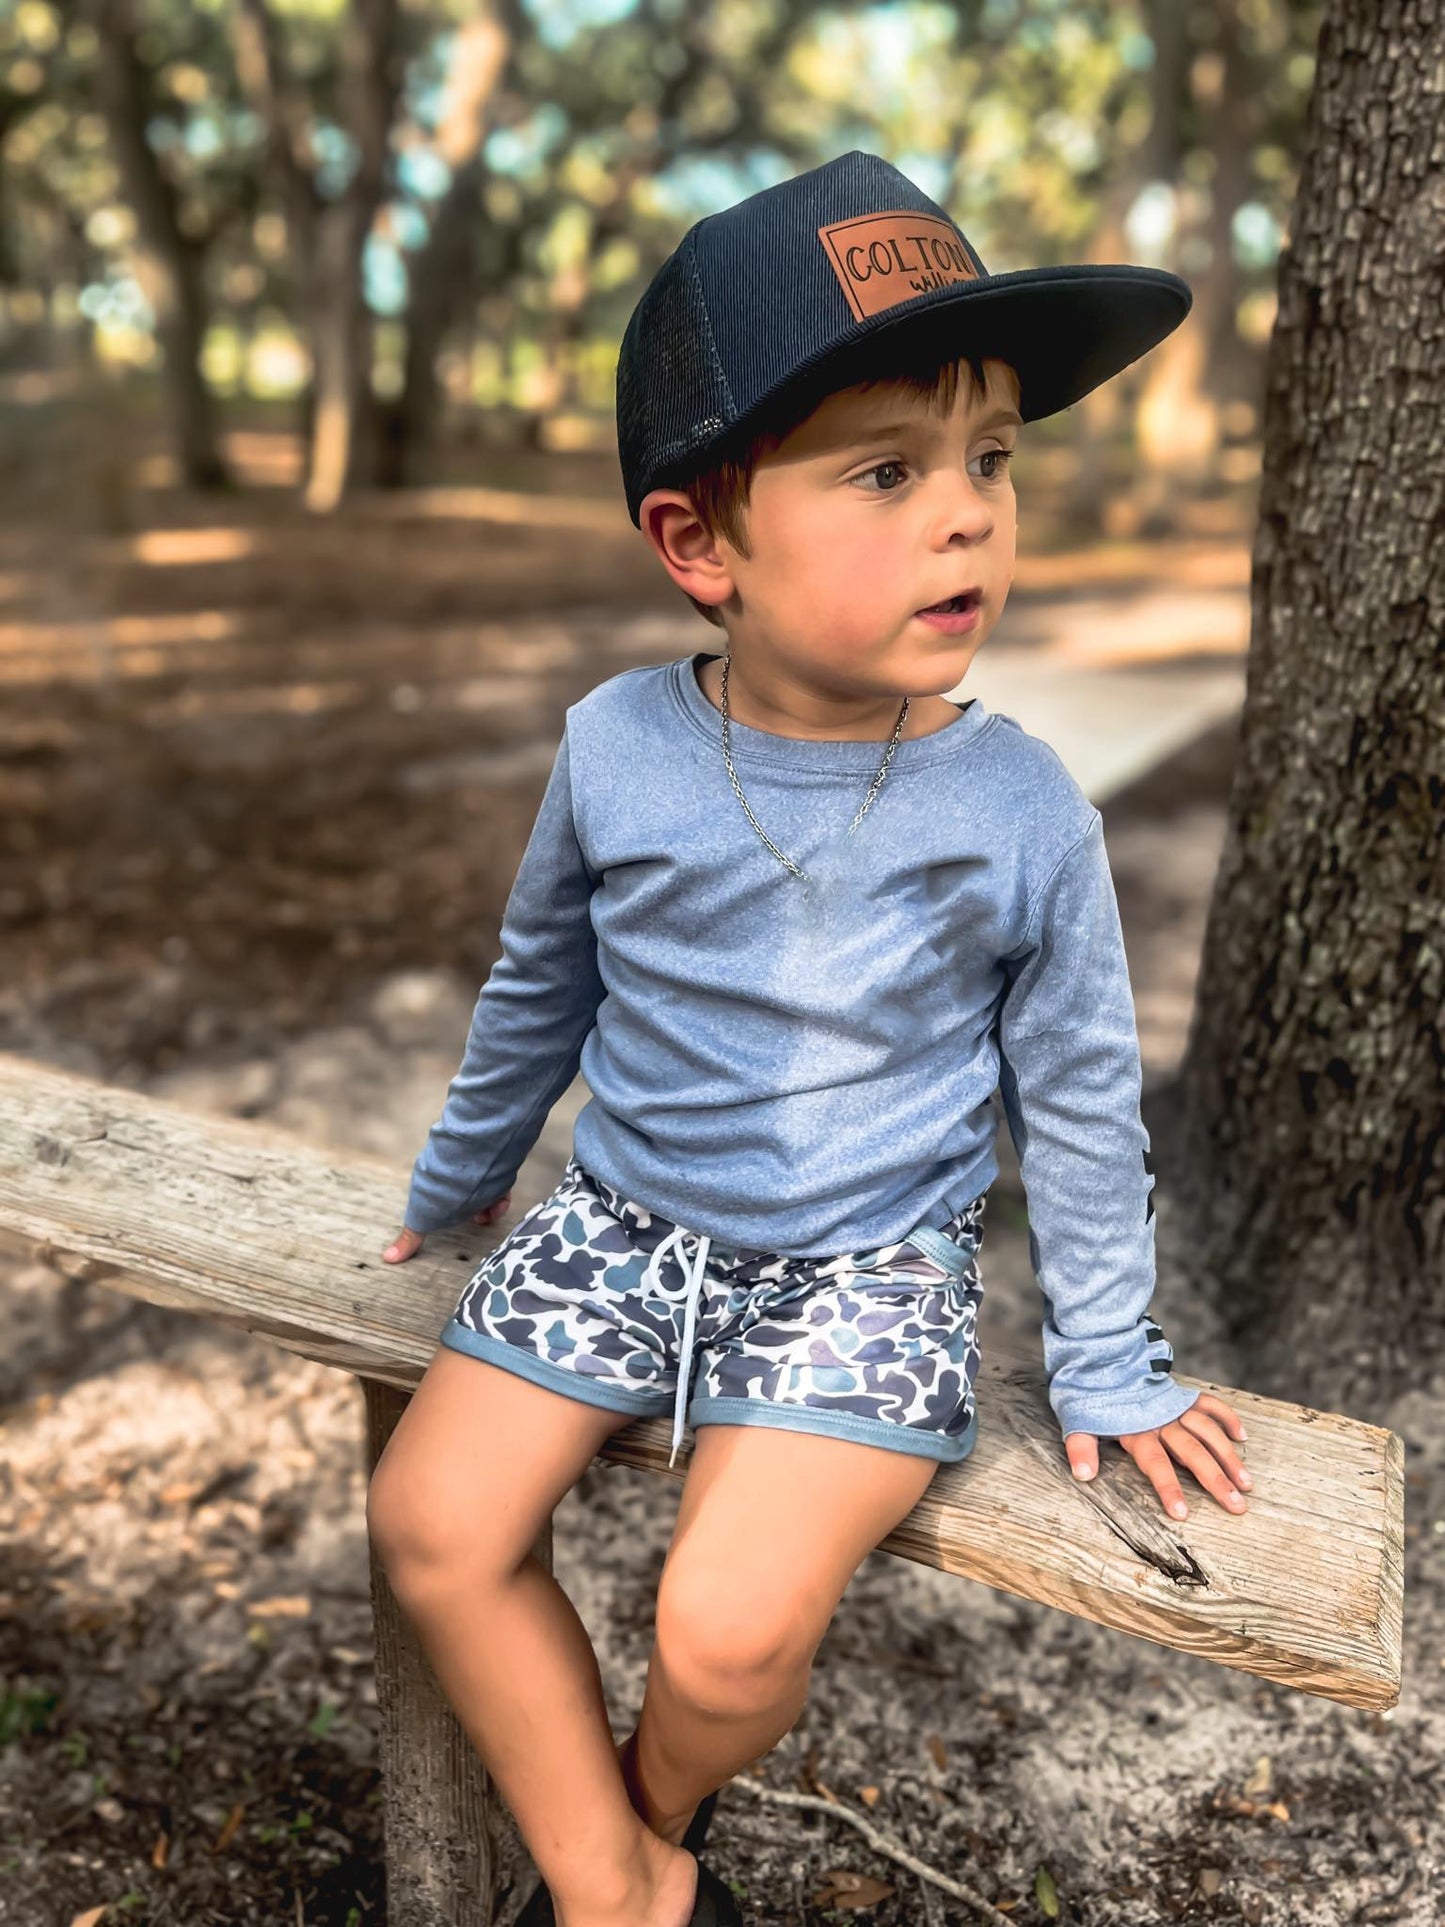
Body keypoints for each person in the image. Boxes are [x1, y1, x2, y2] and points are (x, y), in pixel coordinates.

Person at [366, 150, 1252, 1927]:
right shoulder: (616, 746)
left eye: (989, 459)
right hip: (621, 1229)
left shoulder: (1015, 808)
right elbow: (539, 986)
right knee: (432, 1528)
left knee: (725, 1630)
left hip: (863, 1267)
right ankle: (625, 1892)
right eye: (885, 470)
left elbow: (1076, 1096)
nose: (969, 515)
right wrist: (459, 1182)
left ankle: (642, 1811)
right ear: (700, 539)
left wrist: (1107, 1358)